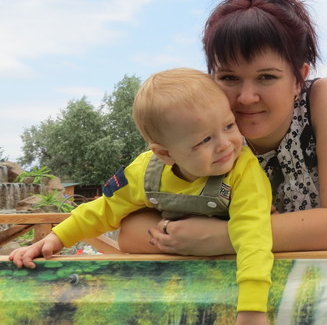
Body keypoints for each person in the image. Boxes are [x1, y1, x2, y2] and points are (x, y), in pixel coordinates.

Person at [119, 0, 327, 255]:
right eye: (229, 78)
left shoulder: (325, 100)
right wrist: (178, 233)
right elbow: (129, 232)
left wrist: (224, 236)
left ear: (299, 78)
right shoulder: (205, 133)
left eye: (266, 77)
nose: (246, 98)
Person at [9, 68, 273, 325]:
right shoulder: (145, 173)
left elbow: (254, 237)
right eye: (204, 140)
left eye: (229, 125)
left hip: (237, 274)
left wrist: (252, 307)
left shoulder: (242, 171)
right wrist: (56, 238)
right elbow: (104, 210)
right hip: (175, 280)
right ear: (165, 154)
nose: (225, 144)